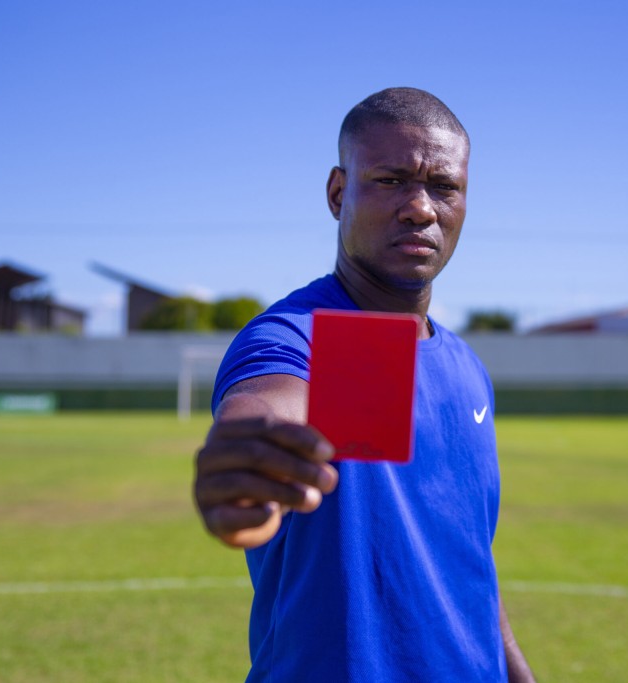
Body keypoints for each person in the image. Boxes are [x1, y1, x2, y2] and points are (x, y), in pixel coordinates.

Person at [194, 87, 535, 682]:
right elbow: (269, 403)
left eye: (444, 187)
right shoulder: (298, 337)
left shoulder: (466, 368)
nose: (421, 208)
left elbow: (468, 560)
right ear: (336, 193)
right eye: (390, 179)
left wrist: (516, 670)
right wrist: (249, 454)